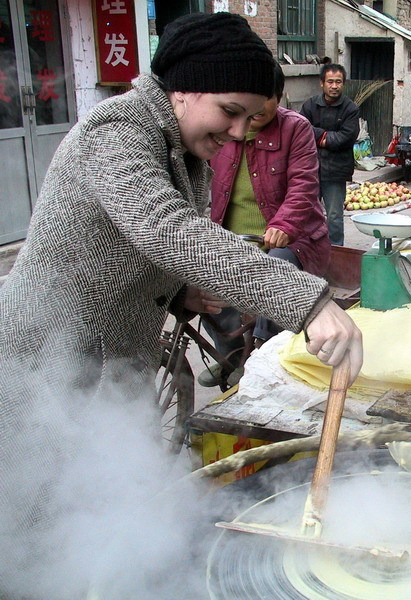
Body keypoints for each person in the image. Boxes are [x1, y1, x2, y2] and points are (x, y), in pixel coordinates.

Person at [0, 13, 363, 593]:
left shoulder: (185, 148)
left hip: (111, 364)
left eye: (251, 117)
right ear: (184, 89)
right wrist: (309, 301)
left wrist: (183, 289)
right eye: (231, 112)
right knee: (33, 523)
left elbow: (152, 251)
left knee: (100, 511)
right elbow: (166, 231)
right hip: (39, 361)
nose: (241, 133)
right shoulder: (115, 132)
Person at [202, 62, 332, 387]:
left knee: (272, 274)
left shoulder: (295, 128)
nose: (256, 110)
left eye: (265, 100)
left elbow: (304, 185)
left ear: (280, 95)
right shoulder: (222, 130)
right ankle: (229, 356)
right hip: (232, 241)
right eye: (247, 102)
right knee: (199, 281)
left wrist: (284, 225)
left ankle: (263, 357)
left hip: (291, 242)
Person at [300, 64, 360, 246]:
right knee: (307, 213)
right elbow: (301, 131)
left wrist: (317, 136)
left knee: (334, 216)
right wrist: (326, 137)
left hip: (336, 170)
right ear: (322, 83)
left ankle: (335, 252)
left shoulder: (350, 109)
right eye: (330, 82)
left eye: (338, 82)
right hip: (310, 169)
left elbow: (346, 137)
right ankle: (308, 250)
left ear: (344, 84)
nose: (334, 86)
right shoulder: (310, 105)